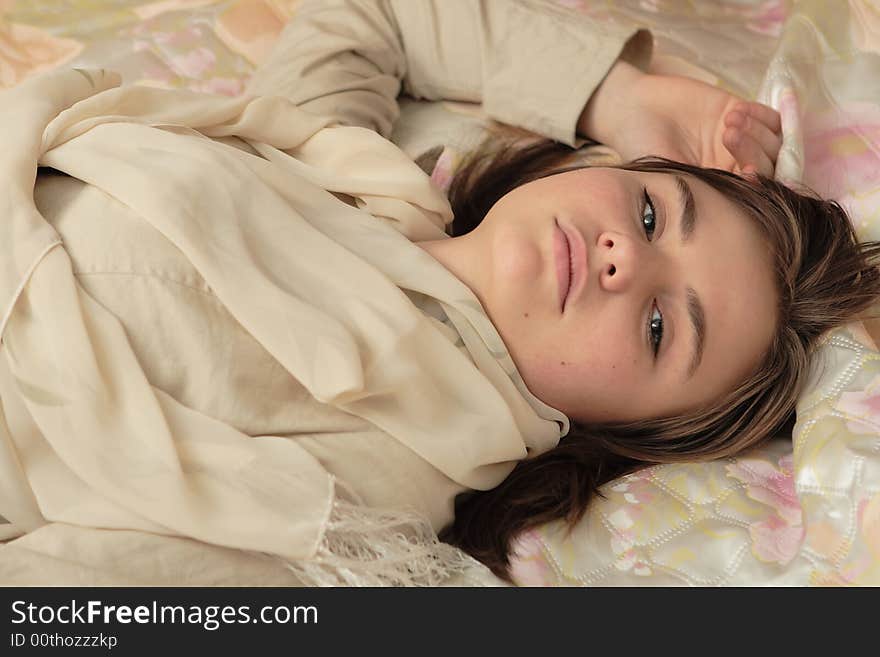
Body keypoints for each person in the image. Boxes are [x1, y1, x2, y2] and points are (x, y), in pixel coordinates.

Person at [0, 1, 876, 586]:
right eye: (650, 211)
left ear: (618, 431)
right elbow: (371, 14)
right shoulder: (346, 170)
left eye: (657, 325)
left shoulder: (362, 502)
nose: (622, 259)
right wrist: (620, 97)